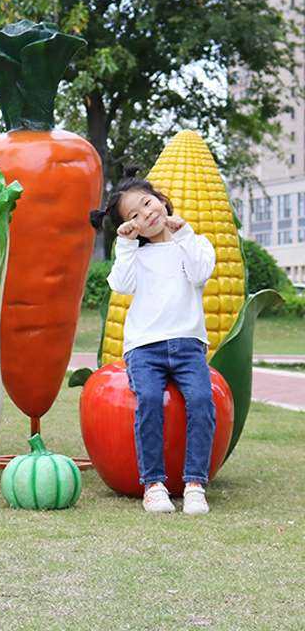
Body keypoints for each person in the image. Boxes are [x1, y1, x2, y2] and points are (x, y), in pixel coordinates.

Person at [90, 172, 216, 515]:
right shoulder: (136, 254)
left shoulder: (194, 243)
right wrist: (126, 244)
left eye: (147, 203)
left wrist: (183, 233)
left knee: (201, 401)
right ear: (131, 226)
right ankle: (154, 485)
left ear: (161, 200)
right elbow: (121, 284)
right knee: (147, 400)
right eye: (134, 215)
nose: (145, 214)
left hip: (188, 344)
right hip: (145, 347)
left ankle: (195, 484)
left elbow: (200, 272)